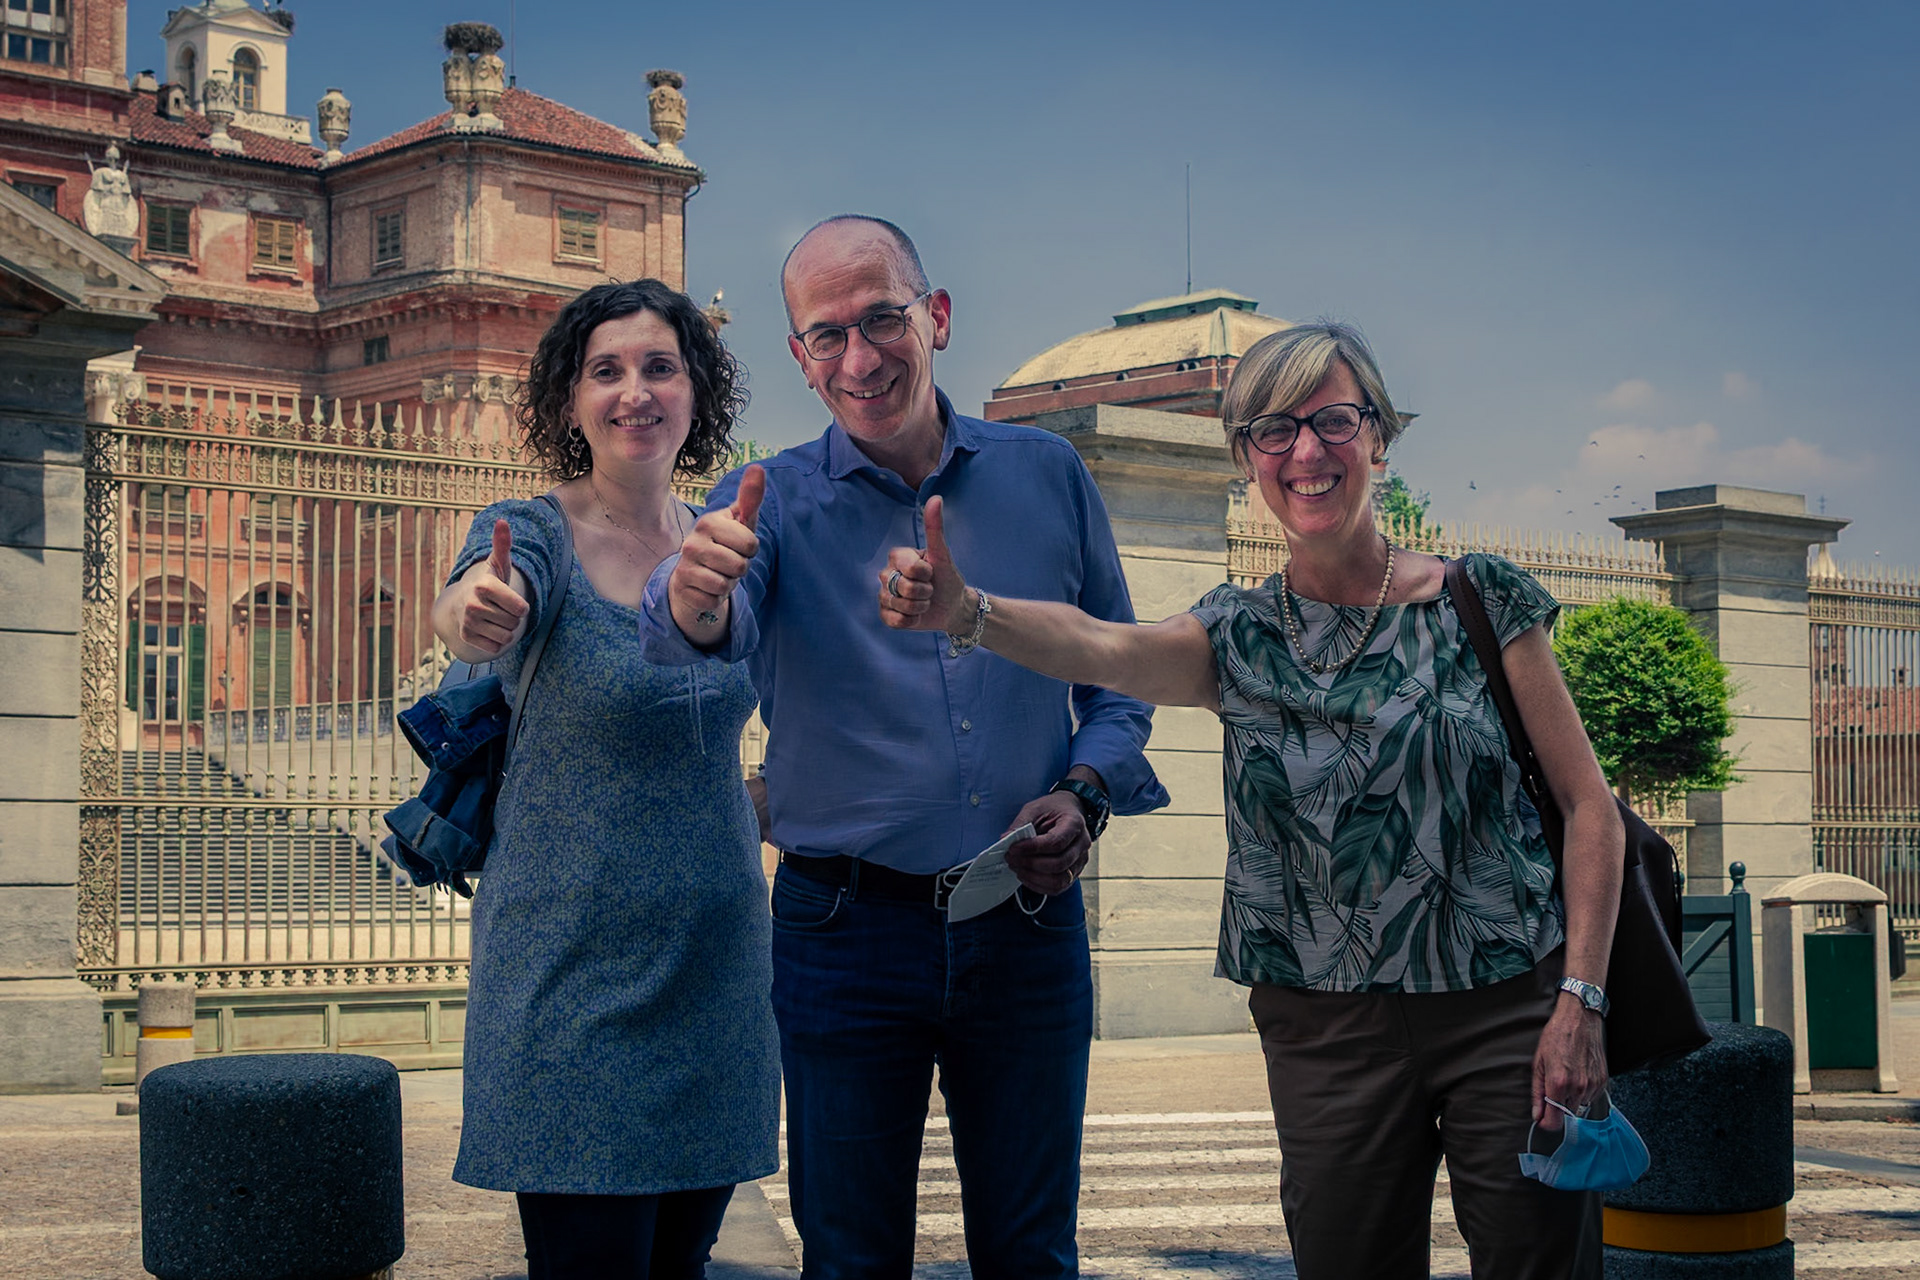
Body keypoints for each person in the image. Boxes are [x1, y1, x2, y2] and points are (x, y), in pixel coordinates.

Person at [877, 321, 1622, 1280]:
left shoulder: (1480, 600)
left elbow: (1588, 807)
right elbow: (1101, 645)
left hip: (1506, 1010)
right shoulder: (1237, 634)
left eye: (1333, 421)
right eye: (1273, 430)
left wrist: (1581, 1004)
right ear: (1245, 460)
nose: (1306, 452)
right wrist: (970, 613)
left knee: (1539, 1267)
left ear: (1380, 438)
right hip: (1323, 1032)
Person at [637, 215, 1168, 1279]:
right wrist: (688, 594)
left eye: (882, 317)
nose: (861, 356)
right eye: (825, 335)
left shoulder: (1048, 473)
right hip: (841, 933)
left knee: (1030, 1255)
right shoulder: (769, 501)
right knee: (848, 1258)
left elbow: (1119, 675)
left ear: (937, 316)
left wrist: (1083, 788)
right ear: (799, 358)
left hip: (1023, 922)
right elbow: (699, 628)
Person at [431, 279, 779, 1279]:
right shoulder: (531, 531)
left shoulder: (723, 539)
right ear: (571, 398)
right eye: (607, 370)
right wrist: (477, 609)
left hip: (715, 977)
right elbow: (474, 598)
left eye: (660, 366)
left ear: (696, 391)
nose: (636, 390)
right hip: (571, 985)